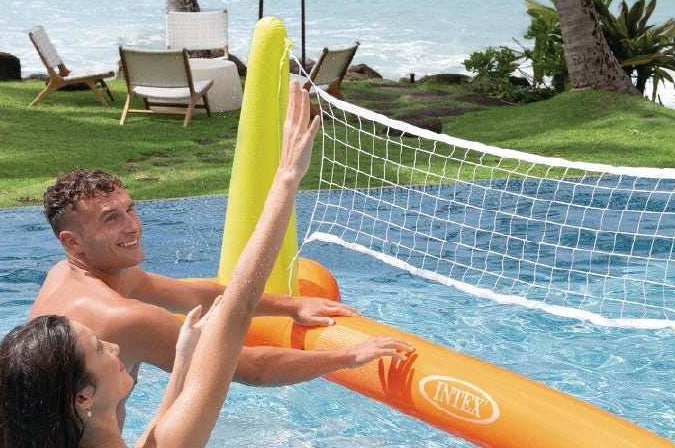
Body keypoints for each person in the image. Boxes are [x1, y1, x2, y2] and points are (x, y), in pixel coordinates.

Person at [0, 81, 413, 448]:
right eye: (103, 351)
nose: (116, 351)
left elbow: (191, 323)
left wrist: (187, 366)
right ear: (84, 396)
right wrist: (286, 182)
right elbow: (234, 320)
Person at [31, 159, 404, 396]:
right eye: (111, 218)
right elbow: (250, 369)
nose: (133, 226)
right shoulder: (122, 317)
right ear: (72, 242)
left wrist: (290, 306)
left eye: (131, 209)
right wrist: (349, 356)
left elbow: (195, 294)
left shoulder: (69, 275)